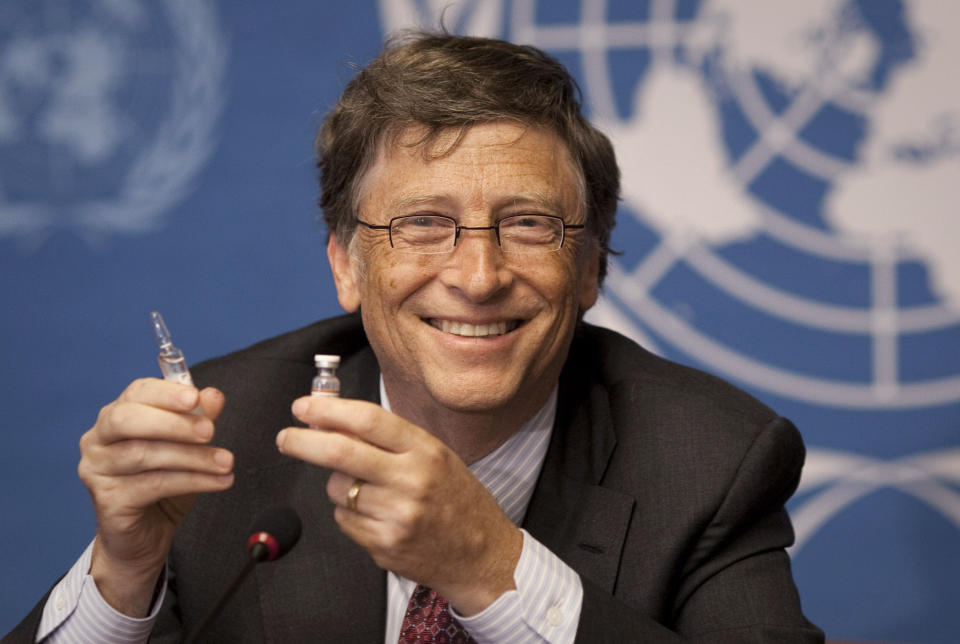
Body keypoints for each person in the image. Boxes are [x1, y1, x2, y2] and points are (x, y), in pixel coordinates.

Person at [6, 31, 823, 643]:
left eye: (529, 225)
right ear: (347, 267)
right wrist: (123, 575)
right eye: (423, 224)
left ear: (591, 269)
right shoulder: (232, 432)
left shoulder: (710, 457)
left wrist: (489, 569)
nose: (476, 275)